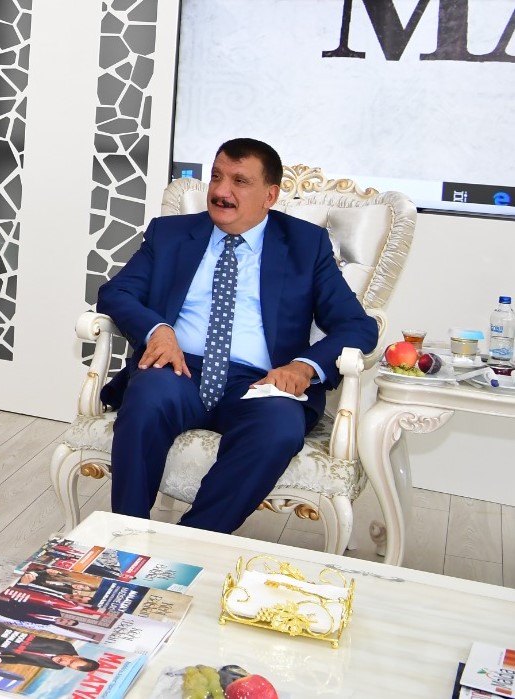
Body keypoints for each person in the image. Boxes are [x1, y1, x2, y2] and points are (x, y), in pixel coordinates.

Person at [97, 137, 377, 533]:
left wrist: (304, 366)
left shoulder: (305, 245)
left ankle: (193, 541)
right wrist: (158, 330)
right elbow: (116, 293)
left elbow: (357, 325)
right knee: (146, 397)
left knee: (279, 427)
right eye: (216, 177)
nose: (221, 191)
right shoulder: (170, 234)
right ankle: (125, 538)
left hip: (259, 382)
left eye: (239, 181)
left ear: (270, 195)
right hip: (179, 369)